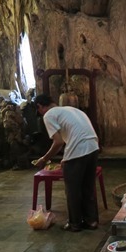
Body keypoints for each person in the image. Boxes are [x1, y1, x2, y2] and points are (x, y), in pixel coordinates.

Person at [33, 94, 100, 232]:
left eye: (38, 110)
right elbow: (75, 135)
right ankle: (91, 221)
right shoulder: (71, 110)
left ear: (40, 106)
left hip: (79, 149)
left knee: (73, 190)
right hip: (93, 147)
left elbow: (58, 141)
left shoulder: (49, 115)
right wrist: (66, 159)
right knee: (88, 187)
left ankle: (75, 223)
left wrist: (44, 159)